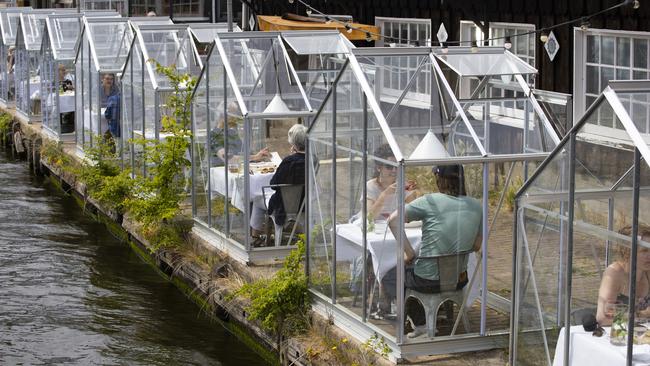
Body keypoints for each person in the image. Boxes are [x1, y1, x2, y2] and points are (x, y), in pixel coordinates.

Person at [382, 164, 482, 338]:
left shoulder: (430, 201)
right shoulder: (476, 205)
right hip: (459, 279)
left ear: (439, 179)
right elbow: (476, 246)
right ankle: (438, 313)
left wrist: (410, 253)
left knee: (391, 275)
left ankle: (421, 324)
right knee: (422, 273)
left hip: (428, 280)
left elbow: (392, 220)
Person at [249, 124, 307, 244]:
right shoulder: (312, 160)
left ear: (293, 143)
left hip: (284, 205)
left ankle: (255, 238)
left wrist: (290, 158)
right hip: (304, 202)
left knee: (257, 200)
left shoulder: (289, 161)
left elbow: (273, 184)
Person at [596, 225, 650, 326]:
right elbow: (603, 318)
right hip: (619, 336)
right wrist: (643, 314)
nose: (649, 255)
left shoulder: (648, 272)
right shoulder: (614, 273)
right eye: (644, 251)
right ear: (627, 251)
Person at [356, 144, 417, 222]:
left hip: (394, 227)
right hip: (375, 228)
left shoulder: (404, 184)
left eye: (397, 166)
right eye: (389, 166)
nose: (394, 170)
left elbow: (413, 212)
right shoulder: (370, 186)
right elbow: (369, 218)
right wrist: (385, 194)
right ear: (378, 167)